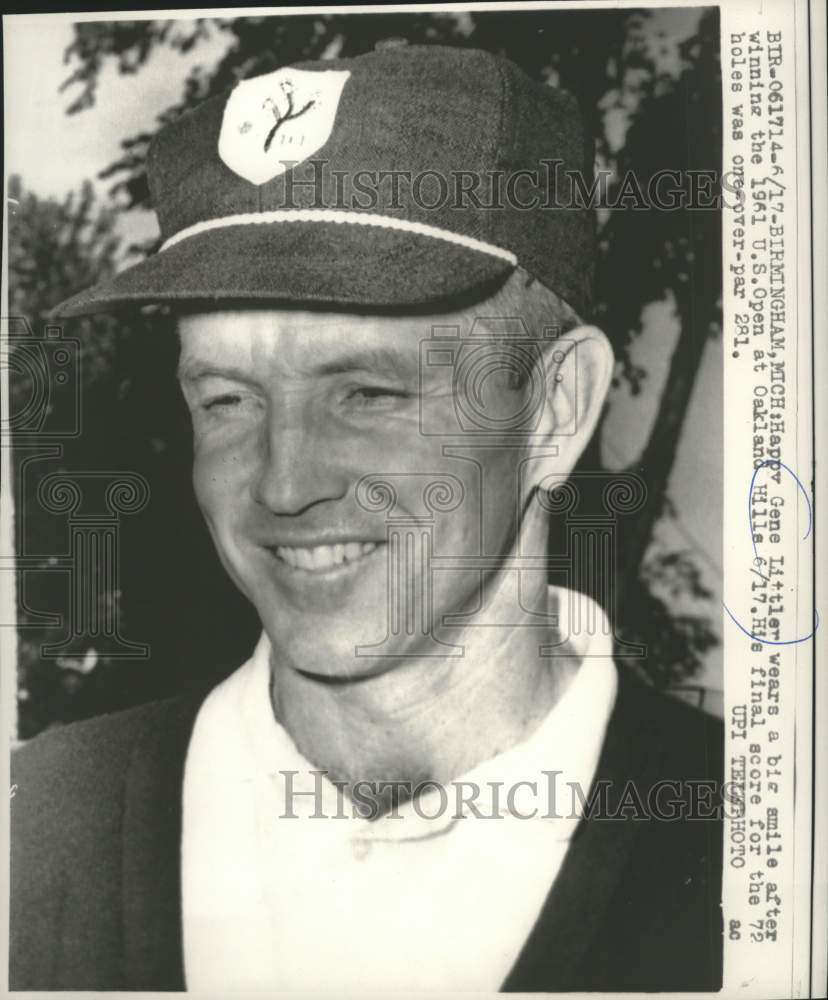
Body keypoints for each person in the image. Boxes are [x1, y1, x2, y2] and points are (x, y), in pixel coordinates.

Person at [10, 43, 723, 992]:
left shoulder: (759, 841)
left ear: (555, 409)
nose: (281, 483)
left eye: (369, 393)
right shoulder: (42, 820)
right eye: (227, 399)